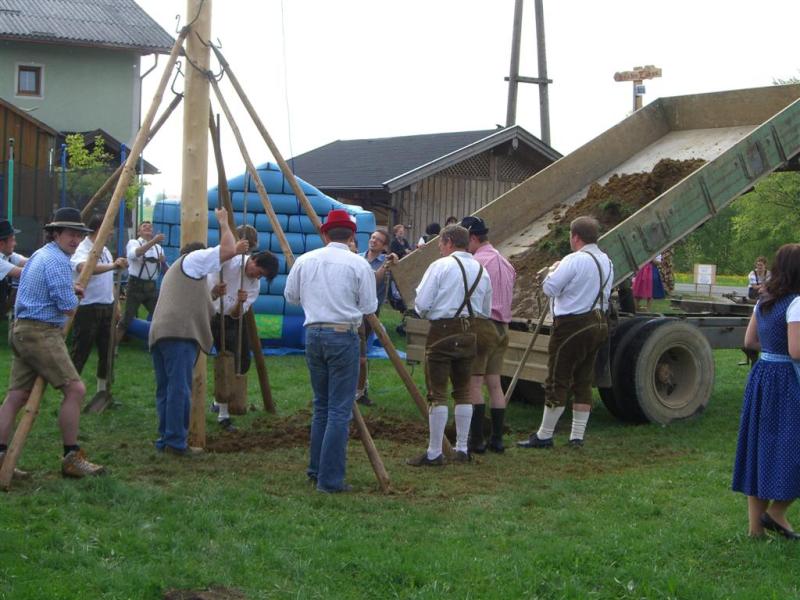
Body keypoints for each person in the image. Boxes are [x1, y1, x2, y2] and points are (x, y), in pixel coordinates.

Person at [0, 207, 104, 478]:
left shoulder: (41, 254)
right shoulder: (57, 261)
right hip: (40, 332)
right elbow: (68, 307)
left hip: (22, 330)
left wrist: (70, 290)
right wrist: (73, 295)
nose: (76, 240)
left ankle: (0, 458)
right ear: (56, 233)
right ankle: (72, 457)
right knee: (76, 390)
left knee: (17, 396)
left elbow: (53, 292)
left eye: (79, 235)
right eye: (70, 234)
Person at [285, 209, 377, 493]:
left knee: (322, 406)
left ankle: (316, 470)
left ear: (325, 234)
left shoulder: (305, 260)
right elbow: (369, 306)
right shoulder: (359, 264)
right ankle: (330, 480)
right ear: (351, 236)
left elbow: (291, 297)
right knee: (338, 410)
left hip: (313, 334)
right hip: (342, 335)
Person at [148, 207, 247, 456]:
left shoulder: (181, 273)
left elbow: (194, 304)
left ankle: (166, 439)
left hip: (162, 333)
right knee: (180, 389)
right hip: (179, 334)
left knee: (167, 389)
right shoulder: (193, 259)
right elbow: (227, 250)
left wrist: (212, 295)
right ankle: (176, 443)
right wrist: (224, 222)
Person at [517, 216, 613, 449]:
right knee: (583, 381)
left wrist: (552, 271)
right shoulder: (607, 261)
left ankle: (544, 435)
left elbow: (550, 288)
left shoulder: (573, 260)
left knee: (557, 380)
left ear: (575, 237)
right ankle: (576, 437)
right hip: (599, 323)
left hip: (572, 325)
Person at [406, 224, 492, 466]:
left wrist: (434, 312)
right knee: (463, 391)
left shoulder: (440, 266)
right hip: (470, 332)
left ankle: (434, 452)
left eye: (440, 244)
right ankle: (462, 448)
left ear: (449, 242)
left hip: (442, 331)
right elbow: (485, 311)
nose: (439, 248)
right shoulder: (481, 270)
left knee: (437, 393)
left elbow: (422, 305)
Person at [732, 243, 800, 539]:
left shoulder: (764, 300)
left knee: (759, 449)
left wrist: (772, 349)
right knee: (792, 447)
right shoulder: (797, 303)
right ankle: (776, 512)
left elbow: (749, 341)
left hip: (762, 377)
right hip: (787, 381)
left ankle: (755, 530)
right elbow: (796, 350)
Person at [460, 216, 516, 454]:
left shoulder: (477, 263)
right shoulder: (506, 262)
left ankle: (476, 440)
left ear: (473, 238)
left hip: (485, 325)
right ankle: (497, 439)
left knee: (474, 383)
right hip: (503, 328)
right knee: (494, 384)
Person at [208, 249, 279, 431]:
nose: (257, 277)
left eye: (262, 276)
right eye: (259, 272)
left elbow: (235, 314)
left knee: (243, 362)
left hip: (232, 319)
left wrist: (240, 303)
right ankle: (223, 415)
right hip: (212, 314)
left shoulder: (254, 286)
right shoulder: (230, 261)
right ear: (253, 260)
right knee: (226, 363)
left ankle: (218, 401)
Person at [70, 214, 128, 396]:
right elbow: (83, 268)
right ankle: (70, 389)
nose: (111, 233)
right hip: (87, 307)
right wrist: (113, 266)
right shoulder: (83, 249)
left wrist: (116, 303)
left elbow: (108, 279)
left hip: (106, 306)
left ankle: (103, 391)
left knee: (107, 350)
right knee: (81, 350)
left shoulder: (105, 251)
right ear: (99, 230)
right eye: (109, 229)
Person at [356, 228, 398, 406]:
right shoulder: (357, 258)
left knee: (361, 353)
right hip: (353, 310)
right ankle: (356, 389)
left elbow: (374, 281)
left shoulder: (386, 262)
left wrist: (392, 262)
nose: (373, 241)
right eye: (372, 237)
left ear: (384, 246)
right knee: (355, 351)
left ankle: (360, 391)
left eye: (378, 240)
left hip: (370, 313)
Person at [118, 220, 166, 341]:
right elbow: (135, 254)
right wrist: (154, 241)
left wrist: (163, 262)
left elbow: (163, 269)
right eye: (144, 226)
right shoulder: (134, 242)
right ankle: (113, 347)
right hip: (135, 286)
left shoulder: (158, 248)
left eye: (150, 227)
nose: (148, 228)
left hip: (151, 287)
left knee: (161, 316)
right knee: (126, 319)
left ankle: (155, 343)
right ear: (139, 232)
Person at [0, 219, 28, 315]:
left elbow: (31, 262)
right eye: (12, 240)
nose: (15, 244)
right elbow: (23, 273)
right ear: (1, 244)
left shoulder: (9, 255)